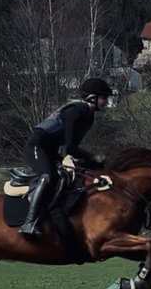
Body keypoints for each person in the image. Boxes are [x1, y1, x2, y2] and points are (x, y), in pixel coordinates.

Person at [19, 77, 113, 236]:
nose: (106, 102)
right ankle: (29, 223)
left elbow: (70, 150)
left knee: (70, 177)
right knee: (46, 177)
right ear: (92, 98)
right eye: (104, 98)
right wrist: (93, 157)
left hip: (51, 151)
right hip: (36, 147)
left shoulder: (89, 117)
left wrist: (94, 162)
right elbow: (70, 147)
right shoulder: (75, 111)